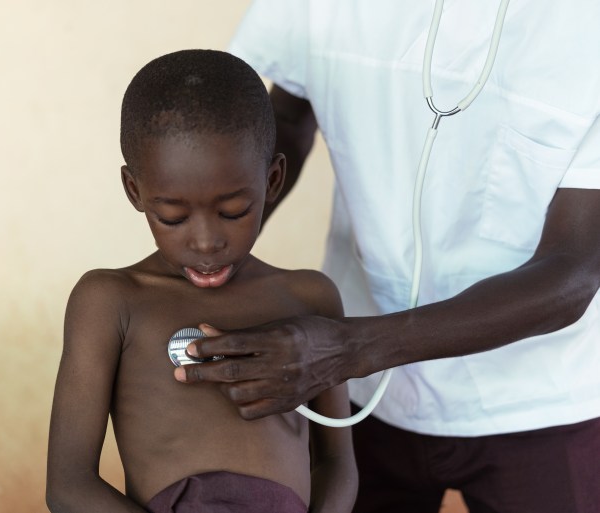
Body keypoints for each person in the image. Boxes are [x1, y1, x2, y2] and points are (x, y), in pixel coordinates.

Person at [172, 2, 600, 512]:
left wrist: (349, 350)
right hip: (355, 397)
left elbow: (573, 271)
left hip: (543, 403)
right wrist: (208, 253)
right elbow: (285, 113)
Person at [45, 49, 357, 513]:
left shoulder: (310, 297)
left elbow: (337, 464)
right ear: (135, 192)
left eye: (234, 212)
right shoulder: (111, 302)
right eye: (173, 217)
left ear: (272, 182)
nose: (207, 242)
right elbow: (68, 485)